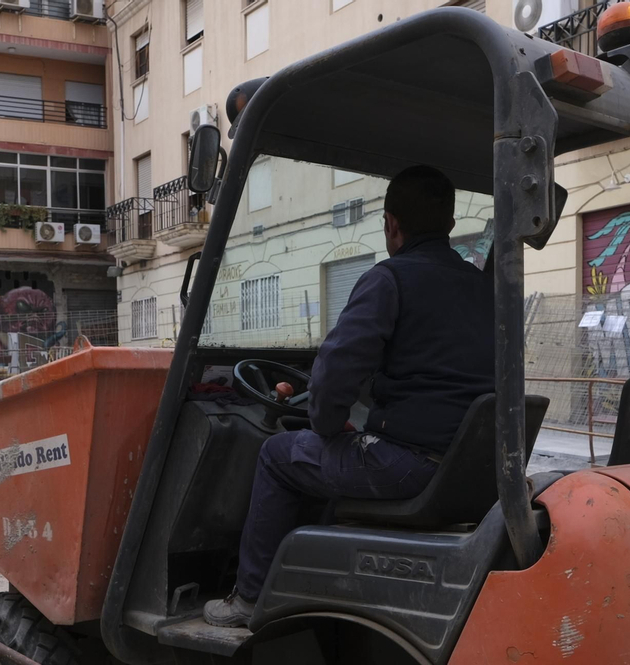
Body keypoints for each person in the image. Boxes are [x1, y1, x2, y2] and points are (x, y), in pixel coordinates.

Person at [204, 165, 496, 627]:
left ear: (391, 224)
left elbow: (336, 372)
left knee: (278, 453)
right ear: (450, 225)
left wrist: (325, 422)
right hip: (468, 467)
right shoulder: (486, 288)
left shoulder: (389, 279)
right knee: (331, 454)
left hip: (407, 465)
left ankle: (248, 598)